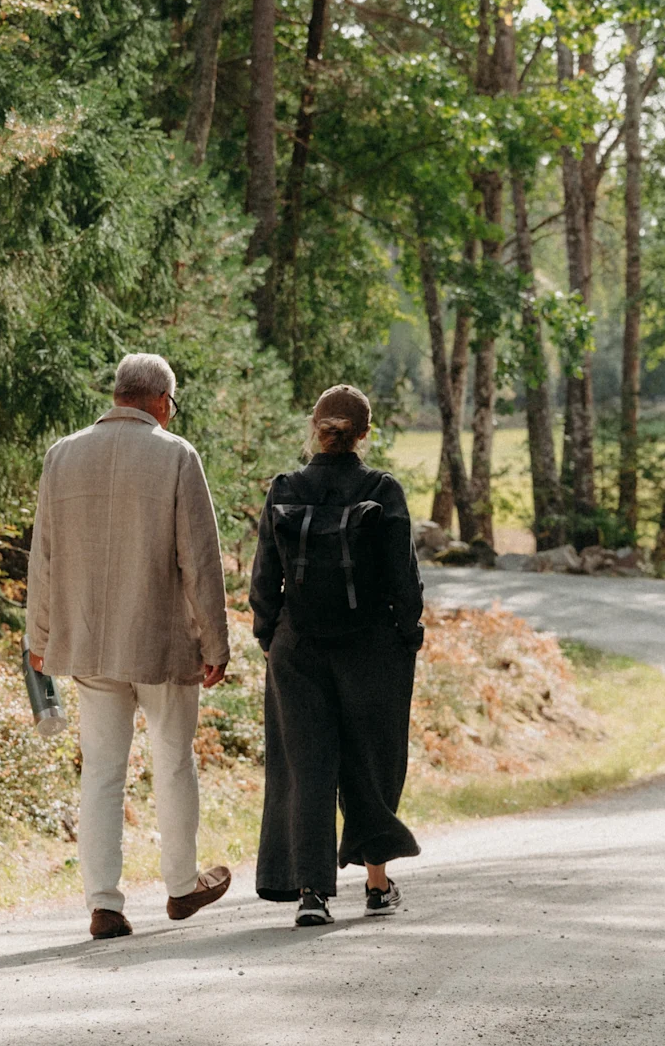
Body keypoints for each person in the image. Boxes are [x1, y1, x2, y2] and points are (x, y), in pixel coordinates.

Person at [25, 352, 234, 939]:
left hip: (89, 642)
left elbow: (43, 558)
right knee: (172, 763)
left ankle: (104, 905)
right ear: (162, 402)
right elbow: (200, 560)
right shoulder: (175, 455)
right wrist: (215, 643)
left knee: (102, 772)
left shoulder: (62, 455)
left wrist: (38, 639)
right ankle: (180, 886)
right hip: (162, 642)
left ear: (118, 394)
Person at [250, 384, 424, 926]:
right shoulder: (382, 489)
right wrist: (406, 637)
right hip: (371, 649)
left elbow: (264, 581)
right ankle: (376, 886)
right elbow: (405, 581)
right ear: (365, 434)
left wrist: (270, 636)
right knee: (370, 761)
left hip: (297, 649)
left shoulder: (283, 489)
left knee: (305, 766)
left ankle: (311, 895)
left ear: (315, 429)